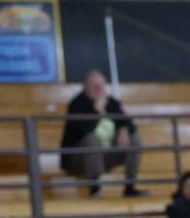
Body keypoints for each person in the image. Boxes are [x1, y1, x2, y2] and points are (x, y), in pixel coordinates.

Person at [60, 69, 143, 197]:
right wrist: (97, 111)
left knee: (135, 140)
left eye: (101, 85)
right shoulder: (76, 104)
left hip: (105, 156)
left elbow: (129, 123)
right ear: (85, 87)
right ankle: (95, 188)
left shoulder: (111, 103)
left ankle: (130, 187)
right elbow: (85, 130)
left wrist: (124, 129)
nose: (98, 88)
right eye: (94, 85)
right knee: (92, 139)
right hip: (78, 159)